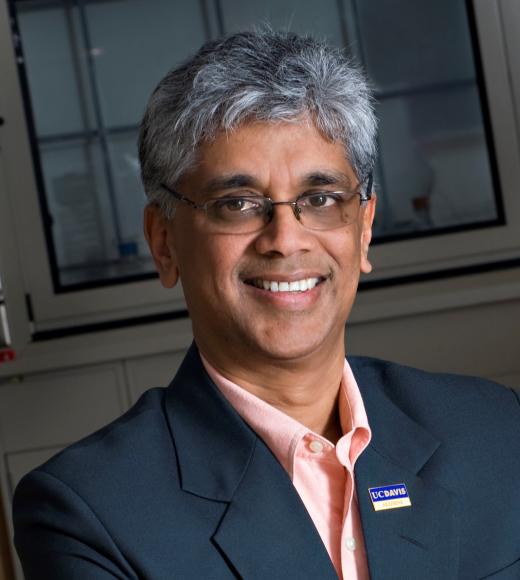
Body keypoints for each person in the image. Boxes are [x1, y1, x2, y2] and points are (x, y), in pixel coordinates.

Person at [13, 30, 520, 580]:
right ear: (164, 242)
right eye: (238, 204)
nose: (285, 238)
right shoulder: (88, 512)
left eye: (320, 199)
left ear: (365, 230)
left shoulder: (496, 431)